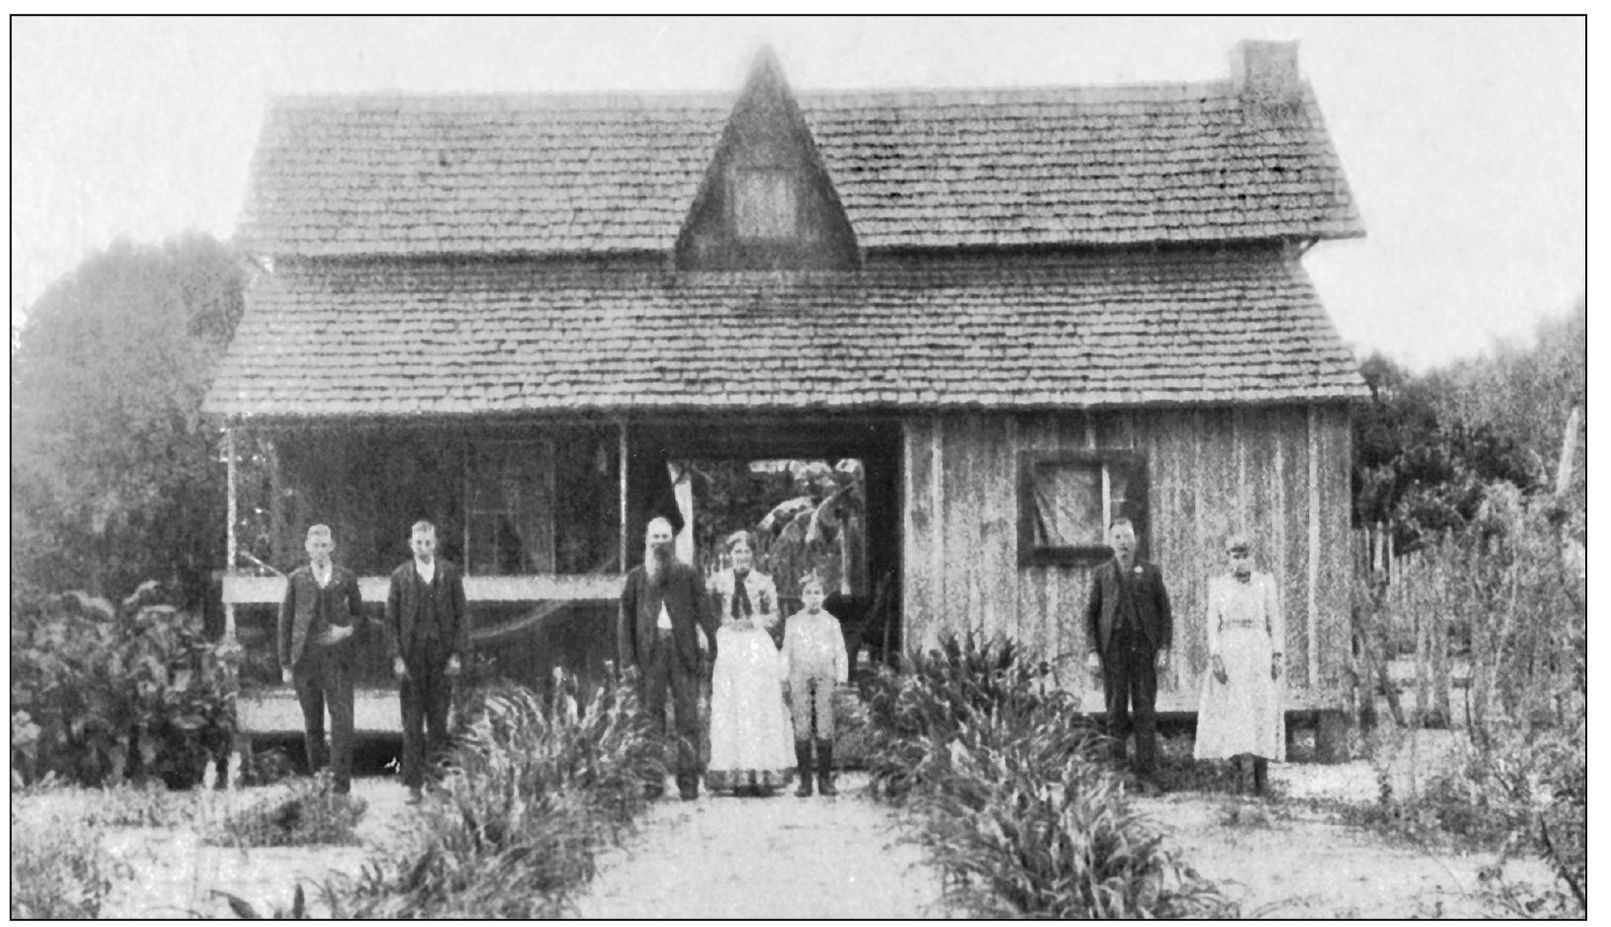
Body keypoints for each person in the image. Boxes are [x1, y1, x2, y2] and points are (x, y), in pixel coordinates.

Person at [618, 516, 718, 801]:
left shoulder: (687, 574)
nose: (660, 542)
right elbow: (625, 621)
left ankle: (688, 782)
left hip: (683, 653)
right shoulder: (637, 578)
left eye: (665, 537)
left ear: (672, 540)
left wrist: (714, 648)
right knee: (651, 718)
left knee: (687, 716)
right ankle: (652, 780)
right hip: (650, 655)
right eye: (656, 537)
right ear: (647, 540)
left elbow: (706, 613)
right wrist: (628, 661)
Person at [1084, 517, 1173, 791]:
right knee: (1115, 713)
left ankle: (1147, 776)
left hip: (1143, 649)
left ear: (1136, 540)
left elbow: (1165, 613)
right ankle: (1118, 777)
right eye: (1118, 537)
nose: (1123, 542)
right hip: (1113, 651)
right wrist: (1092, 652)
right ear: (1111, 543)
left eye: (1127, 536)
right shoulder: (1102, 573)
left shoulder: (1150, 572)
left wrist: (1163, 648)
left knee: (1145, 711)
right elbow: (1090, 615)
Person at [277, 524, 367, 795]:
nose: (319, 550)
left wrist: (345, 630)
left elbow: (361, 617)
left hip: (338, 660)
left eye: (324, 545)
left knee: (342, 721)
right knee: (312, 722)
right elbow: (286, 620)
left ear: (332, 547)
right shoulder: (297, 579)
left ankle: (340, 784)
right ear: (307, 547)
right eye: (314, 545)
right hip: (306, 659)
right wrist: (285, 663)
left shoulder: (345, 578)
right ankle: (319, 781)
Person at [385, 520, 470, 805]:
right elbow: (391, 622)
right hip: (411, 658)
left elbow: (462, 616)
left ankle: (435, 782)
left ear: (435, 544)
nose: (423, 547)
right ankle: (413, 785)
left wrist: (457, 654)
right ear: (411, 544)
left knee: (438, 721)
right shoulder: (400, 577)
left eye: (428, 543)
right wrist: (397, 657)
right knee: (411, 723)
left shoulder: (449, 574)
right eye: (418, 543)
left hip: (441, 657)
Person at [1194, 534, 1286, 795]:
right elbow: (1212, 624)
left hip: (1258, 649)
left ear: (1253, 557)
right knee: (1237, 713)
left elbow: (1275, 620)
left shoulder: (1265, 584)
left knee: (1261, 710)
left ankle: (1262, 774)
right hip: (1231, 649)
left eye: (1245, 555)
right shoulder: (1219, 586)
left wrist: (1277, 654)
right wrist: (1215, 656)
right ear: (1228, 558)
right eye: (1235, 556)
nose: (1241, 561)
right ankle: (1242, 776)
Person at [704, 532, 795, 796]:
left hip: (756, 644)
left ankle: (762, 773)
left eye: (746, 552)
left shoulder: (764, 582)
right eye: (736, 553)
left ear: (752, 556)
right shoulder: (717, 581)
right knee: (731, 707)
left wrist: (756, 622)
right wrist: (716, 628)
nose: (741, 557)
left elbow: (775, 615)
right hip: (730, 644)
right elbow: (705, 609)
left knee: (759, 705)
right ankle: (736, 774)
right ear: (728, 555)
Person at [782, 573, 849, 797]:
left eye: (817, 593)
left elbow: (840, 651)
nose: (813, 598)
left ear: (824, 596)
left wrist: (841, 677)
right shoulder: (793, 623)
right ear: (802, 597)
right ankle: (805, 782)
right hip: (800, 675)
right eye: (808, 593)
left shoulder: (831, 622)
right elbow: (787, 652)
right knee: (801, 725)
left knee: (824, 725)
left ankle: (825, 780)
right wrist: (783, 678)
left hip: (824, 676)